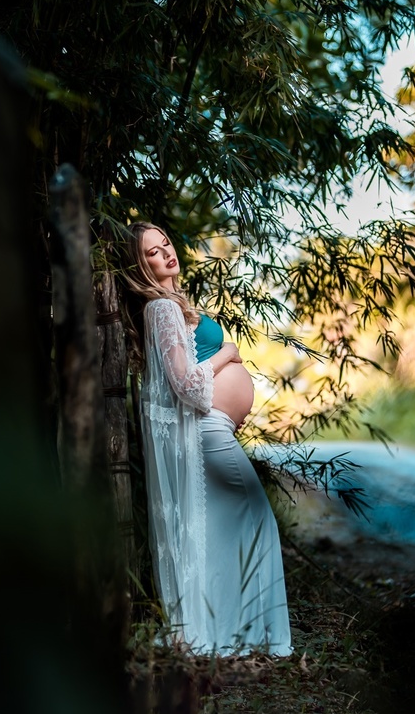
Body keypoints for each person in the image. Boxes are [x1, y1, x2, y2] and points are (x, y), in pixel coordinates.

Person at [120, 221, 293, 656]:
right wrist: (228, 354)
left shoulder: (172, 304)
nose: (167, 253)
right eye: (153, 252)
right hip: (206, 432)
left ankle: (234, 633)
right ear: (140, 265)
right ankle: (251, 636)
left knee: (222, 532)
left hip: (214, 429)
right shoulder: (161, 308)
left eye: (166, 244)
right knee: (257, 520)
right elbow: (185, 385)